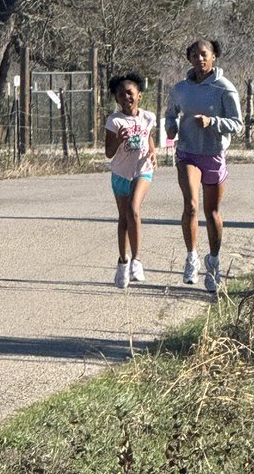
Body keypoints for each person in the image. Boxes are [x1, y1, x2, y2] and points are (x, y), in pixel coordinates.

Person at [164, 38, 242, 292]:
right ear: (188, 58)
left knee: (212, 213)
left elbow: (237, 124)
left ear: (213, 57)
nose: (200, 59)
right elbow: (170, 112)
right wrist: (171, 126)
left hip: (213, 154)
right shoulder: (180, 89)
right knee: (191, 206)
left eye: (204, 54)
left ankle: (214, 262)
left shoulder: (224, 88)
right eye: (195, 55)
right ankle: (191, 258)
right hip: (187, 152)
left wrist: (213, 122)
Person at [104, 72, 158, 288]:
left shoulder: (148, 117)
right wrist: (118, 139)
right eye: (121, 94)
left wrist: (153, 153)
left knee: (134, 209)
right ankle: (122, 262)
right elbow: (108, 153)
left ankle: (136, 261)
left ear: (139, 96)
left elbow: (149, 138)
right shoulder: (114, 120)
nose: (126, 97)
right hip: (120, 174)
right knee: (124, 219)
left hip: (143, 170)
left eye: (130, 93)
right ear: (116, 99)